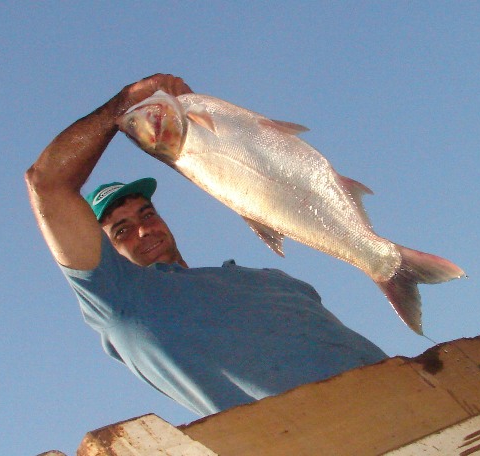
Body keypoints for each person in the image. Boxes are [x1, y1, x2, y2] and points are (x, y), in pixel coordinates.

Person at [25, 74, 387, 416]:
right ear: (105, 250)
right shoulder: (118, 301)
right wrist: (122, 104)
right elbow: (47, 183)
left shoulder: (267, 278)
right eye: (121, 230)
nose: (143, 230)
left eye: (146, 214)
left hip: (410, 398)